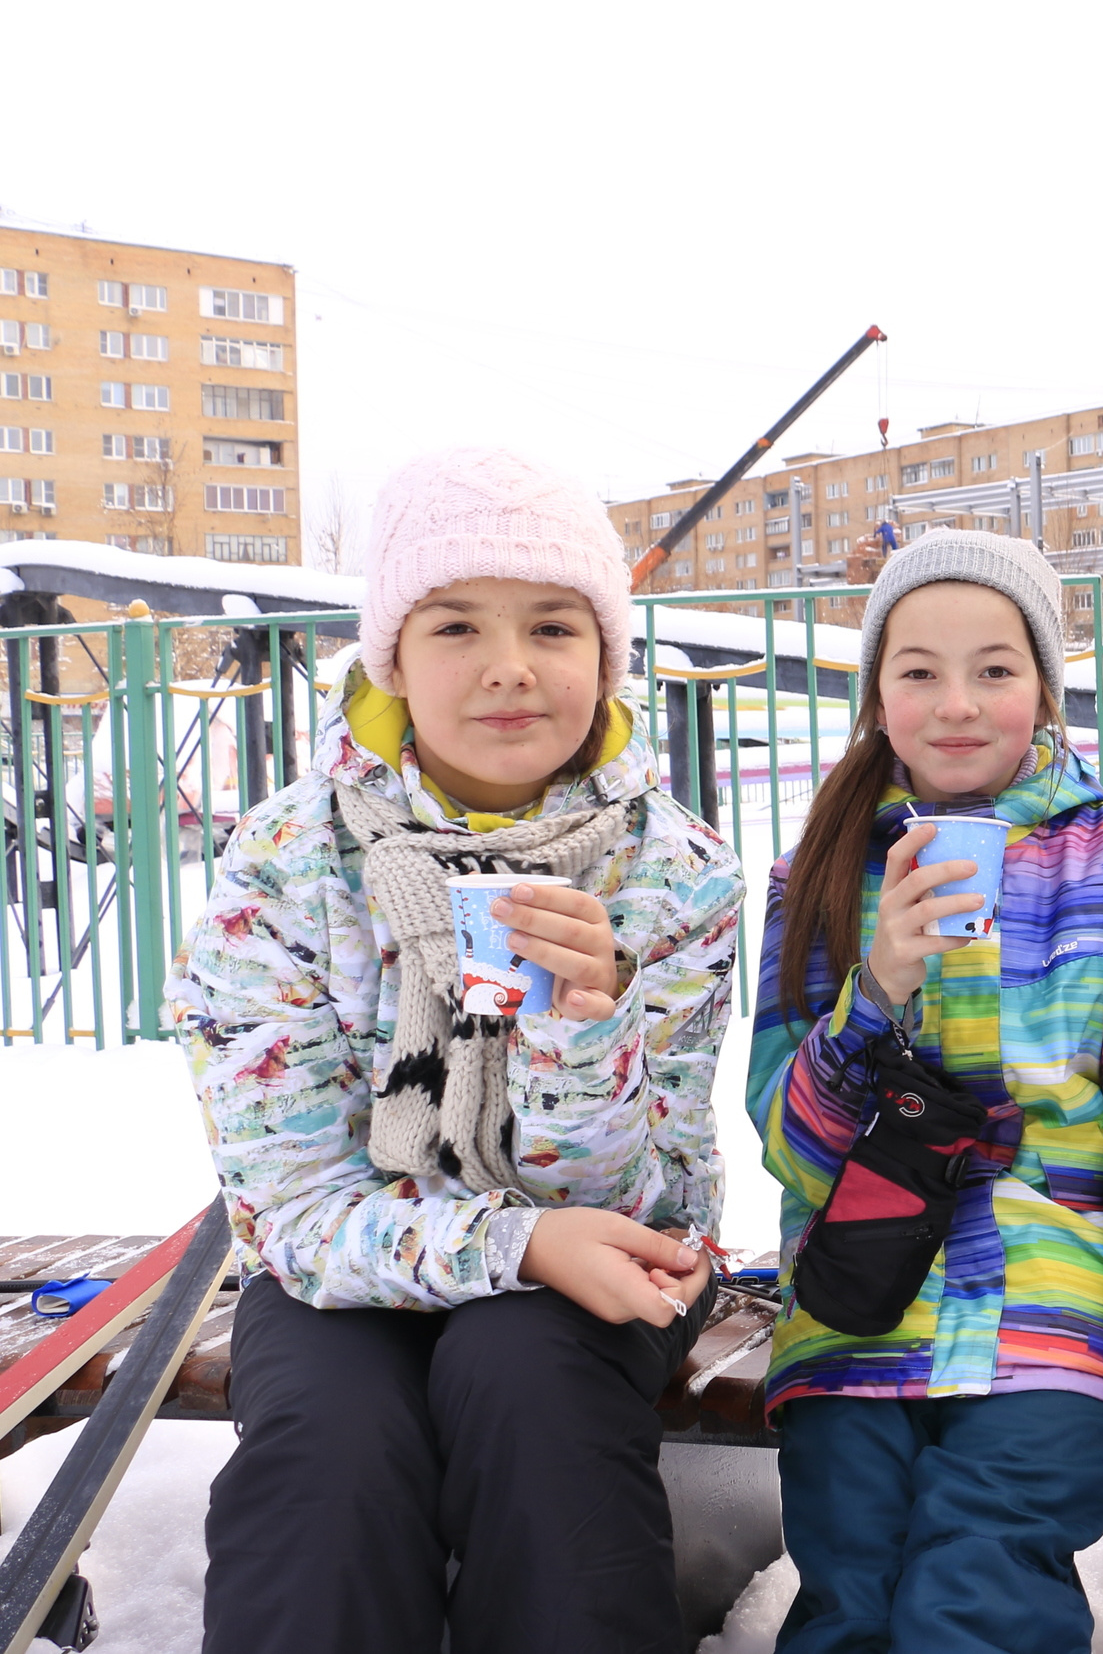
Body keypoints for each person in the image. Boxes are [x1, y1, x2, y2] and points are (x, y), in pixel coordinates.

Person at [170, 446, 745, 1654]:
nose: (508, 670)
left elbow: (657, 1198)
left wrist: (587, 1033)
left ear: (605, 656)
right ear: (390, 655)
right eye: (453, 628)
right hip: (346, 1265)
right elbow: (288, 1204)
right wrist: (515, 1240)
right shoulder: (286, 859)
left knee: (532, 1386)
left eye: (552, 627)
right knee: (329, 1445)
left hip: (599, 1261)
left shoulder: (674, 869)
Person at [746, 529, 1103, 1654]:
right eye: (918, 670)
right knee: (848, 1609)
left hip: (1051, 1322)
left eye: (995, 669)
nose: (956, 703)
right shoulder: (814, 878)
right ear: (876, 693)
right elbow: (790, 1148)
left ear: (1044, 689)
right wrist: (875, 989)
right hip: (855, 1326)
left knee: (975, 1595)